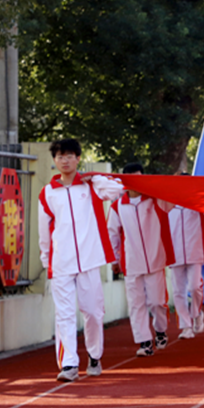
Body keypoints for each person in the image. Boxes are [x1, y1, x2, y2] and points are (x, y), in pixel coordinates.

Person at [38, 139, 124, 381]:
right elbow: (44, 232)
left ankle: (94, 355)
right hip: (61, 263)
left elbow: (117, 190)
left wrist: (96, 178)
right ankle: (68, 364)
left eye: (69, 156)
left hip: (88, 260)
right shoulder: (47, 193)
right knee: (63, 314)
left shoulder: (91, 186)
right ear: (54, 161)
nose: (64, 161)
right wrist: (47, 261)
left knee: (93, 312)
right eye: (60, 156)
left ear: (77, 158)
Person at [107, 163, 175, 357]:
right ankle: (144, 341)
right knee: (136, 303)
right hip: (131, 262)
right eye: (131, 179)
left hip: (155, 259)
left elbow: (175, 199)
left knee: (156, 302)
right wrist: (114, 259)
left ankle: (160, 330)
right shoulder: (117, 206)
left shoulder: (155, 201)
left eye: (139, 178)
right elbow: (112, 234)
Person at [167, 173, 204, 340]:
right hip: (174, 253)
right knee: (178, 291)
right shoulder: (168, 205)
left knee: (194, 287)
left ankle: (197, 313)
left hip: (195, 251)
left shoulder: (197, 203)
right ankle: (186, 326)